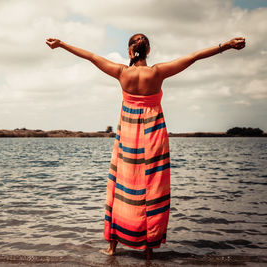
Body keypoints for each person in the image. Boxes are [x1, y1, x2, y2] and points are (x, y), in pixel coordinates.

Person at [45, 34, 245, 260]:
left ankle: (112, 248)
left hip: (128, 135)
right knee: (153, 188)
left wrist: (61, 44)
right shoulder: (157, 72)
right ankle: (149, 251)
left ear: (130, 52)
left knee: (121, 187)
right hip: (154, 135)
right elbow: (194, 57)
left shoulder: (121, 72)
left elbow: (90, 56)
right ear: (147, 51)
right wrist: (225, 45)